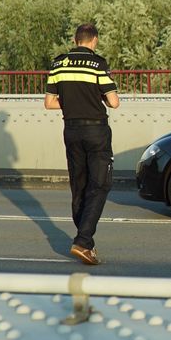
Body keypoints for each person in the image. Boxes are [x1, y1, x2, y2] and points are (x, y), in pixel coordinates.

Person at [44, 23, 120, 266]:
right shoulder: (98, 63)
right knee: (100, 185)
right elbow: (114, 102)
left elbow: (49, 103)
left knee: (79, 186)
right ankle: (83, 241)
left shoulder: (58, 64)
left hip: (71, 130)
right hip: (96, 130)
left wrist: (73, 104)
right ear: (94, 40)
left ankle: (86, 243)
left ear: (75, 40)